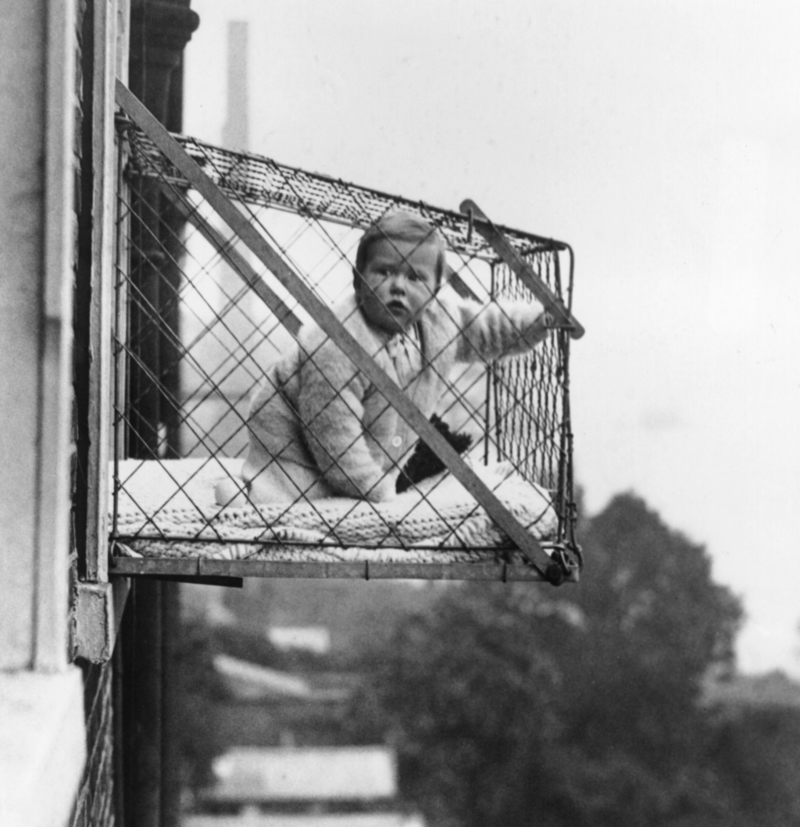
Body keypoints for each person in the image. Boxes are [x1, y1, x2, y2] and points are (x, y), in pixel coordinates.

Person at [215, 210, 552, 506]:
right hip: (294, 446)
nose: (398, 286)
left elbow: (488, 330)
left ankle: (426, 478)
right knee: (292, 495)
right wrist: (374, 491)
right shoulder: (336, 345)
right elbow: (334, 436)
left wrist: (538, 322)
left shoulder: (440, 322)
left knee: (426, 459)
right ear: (358, 281)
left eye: (415, 277)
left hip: (379, 439)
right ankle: (250, 491)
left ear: (435, 292)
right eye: (384, 272)